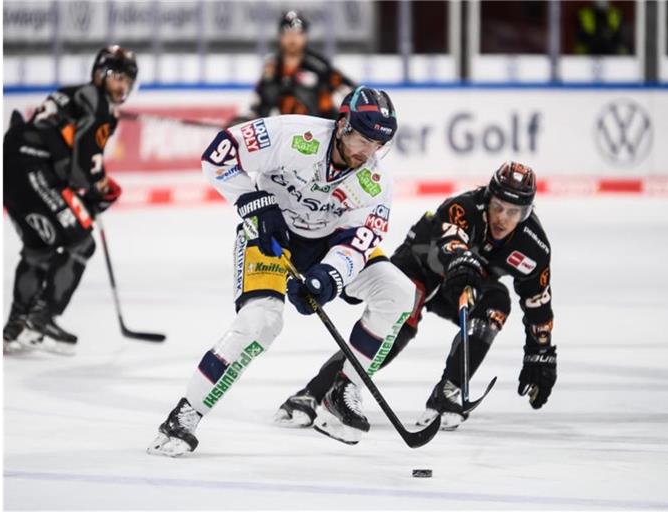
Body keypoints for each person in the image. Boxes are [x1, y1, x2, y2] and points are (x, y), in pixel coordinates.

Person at [147, 86, 415, 456]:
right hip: (270, 236)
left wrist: (329, 276)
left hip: (327, 245)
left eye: (377, 145)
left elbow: (360, 241)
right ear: (342, 124)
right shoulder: (293, 134)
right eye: (363, 139)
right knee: (262, 322)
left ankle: (343, 391)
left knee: (398, 292)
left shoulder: (375, 182)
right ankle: (185, 414)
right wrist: (254, 201)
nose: (368, 152)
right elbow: (219, 154)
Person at [274, 162, 557, 431]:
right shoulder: (463, 207)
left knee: (496, 304)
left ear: (527, 213)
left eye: (513, 212)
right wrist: (460, 260)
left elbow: (538, 301)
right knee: (397, 329)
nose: (502, 218)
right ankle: (315, 392)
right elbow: (450, 242)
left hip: (464, 282)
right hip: (420, 265)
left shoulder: (534, 246)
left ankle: (449, 392)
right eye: (498, 207)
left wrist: (539, 352)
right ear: (488, 198)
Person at [3, 45, 137, 355]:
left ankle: (15, 328)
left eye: (127, 81)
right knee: (80, 242)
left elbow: (65, 154)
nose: (121, 86)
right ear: (98, 74)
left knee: (39, 247)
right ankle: (41, 320)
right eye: (117, 76)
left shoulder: (73, 94)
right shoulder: (99, 106)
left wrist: (90, 187)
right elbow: (79, 172)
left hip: (13, 167)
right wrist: (97, 189)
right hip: (31, 168)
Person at [248, 10, 355, 120]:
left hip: (316, 132)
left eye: (298, 33)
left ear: (305, 36)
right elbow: (258, 103)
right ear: (280, 36)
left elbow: (350, 92)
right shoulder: (271, 67)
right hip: (278, 131)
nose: (292, 38)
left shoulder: (319, 66)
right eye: (287, 33)